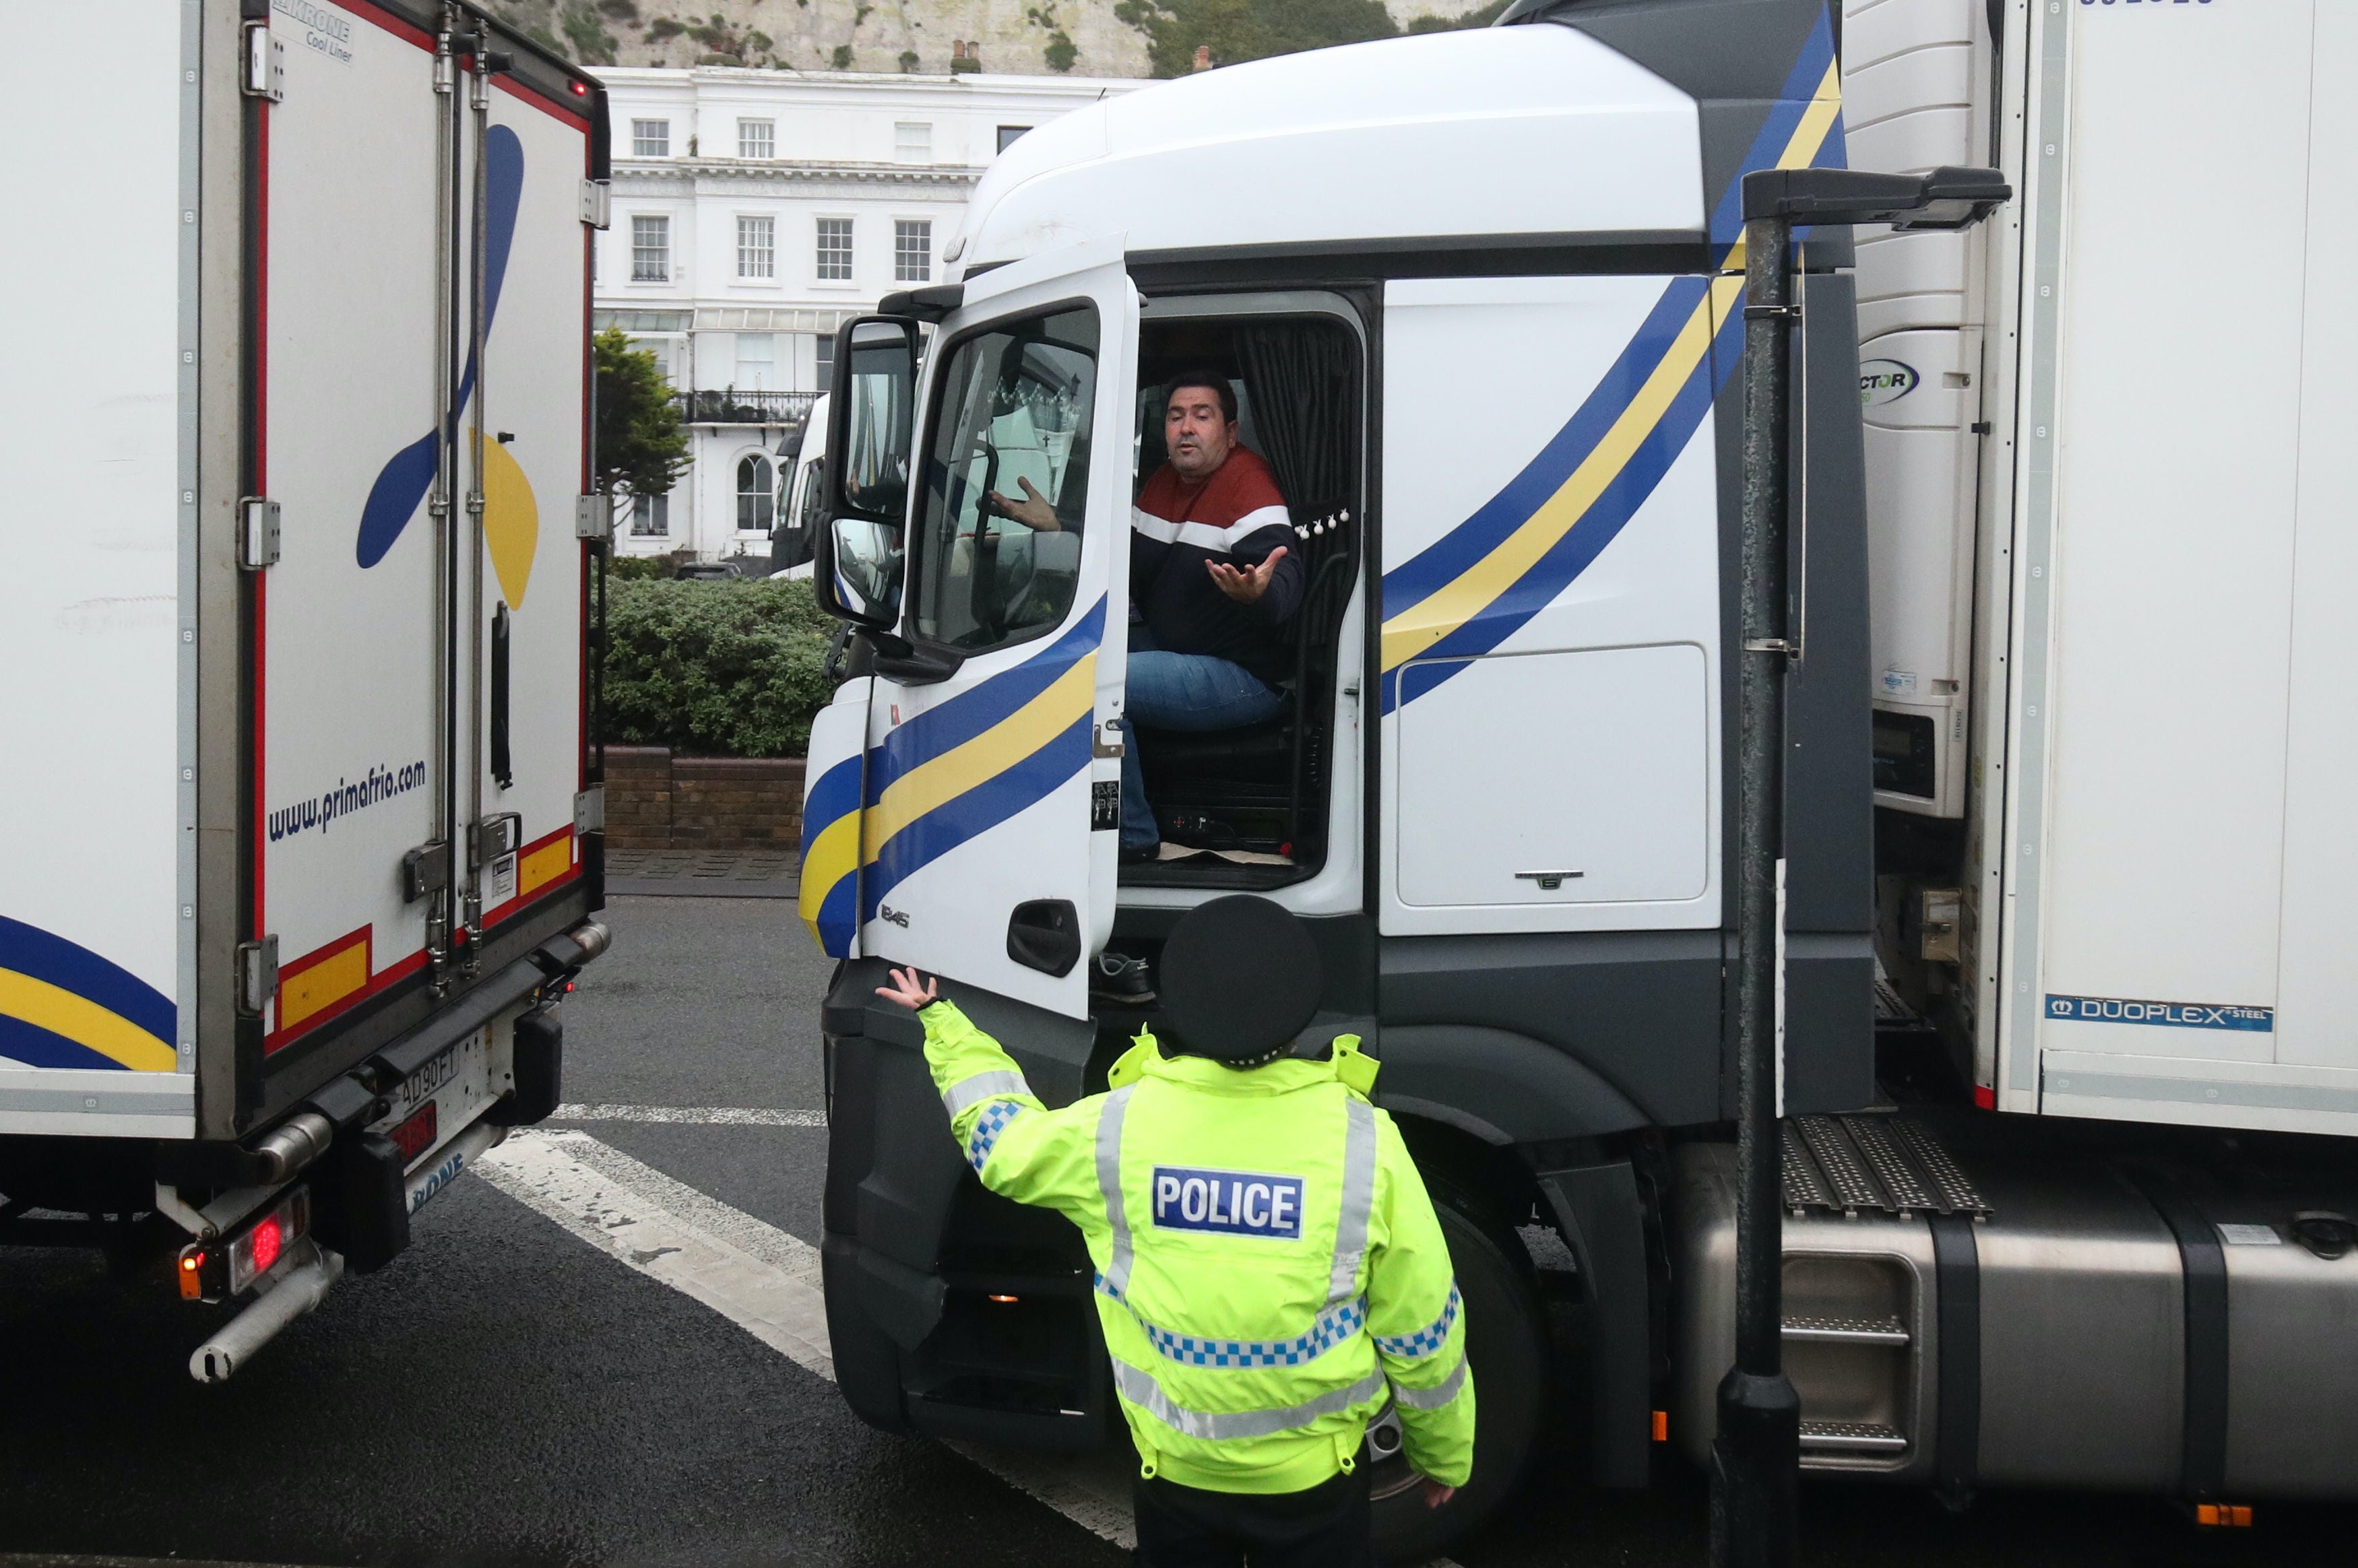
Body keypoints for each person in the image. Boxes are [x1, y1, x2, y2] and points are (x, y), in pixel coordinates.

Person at [873, 895, 1474, 1568]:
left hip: (1175, 1478)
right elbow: (1422, 1326)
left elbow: (1002, 1145)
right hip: (1315, 1485)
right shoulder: (1365, 1142)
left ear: (1178, 1004)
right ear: (1300, 1012)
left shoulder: (1118, 1127)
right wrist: (1442, 1455)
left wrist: (945, 1027)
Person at [992, 371, 1305, 863]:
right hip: (1173, 644)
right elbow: (1125, 553)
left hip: (1246, 674)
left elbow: (1283, 578)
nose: (1187, 428)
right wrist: (1058, 522)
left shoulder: (1247, 485)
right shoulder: (1163, 482)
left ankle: (1130, 837)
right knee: (1046, 652)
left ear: (1230, 432)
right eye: (1176, 416)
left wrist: (1260, 594)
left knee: (1092, 684)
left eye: (1202, 416)